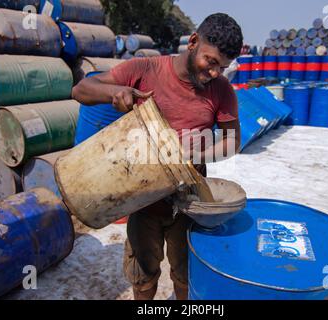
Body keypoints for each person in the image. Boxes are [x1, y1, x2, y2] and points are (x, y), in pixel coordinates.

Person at [71, 13, 243, 300]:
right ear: (193, 42)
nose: (214, 73)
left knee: (185, 271)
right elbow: (80, 90)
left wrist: (196, 152)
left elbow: (233, 141)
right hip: (142, 195)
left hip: (190, 201)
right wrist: (116, 91)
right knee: (143, 272)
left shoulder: (222, 90)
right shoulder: (145, 68)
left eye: (222, 68)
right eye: (210, 62)